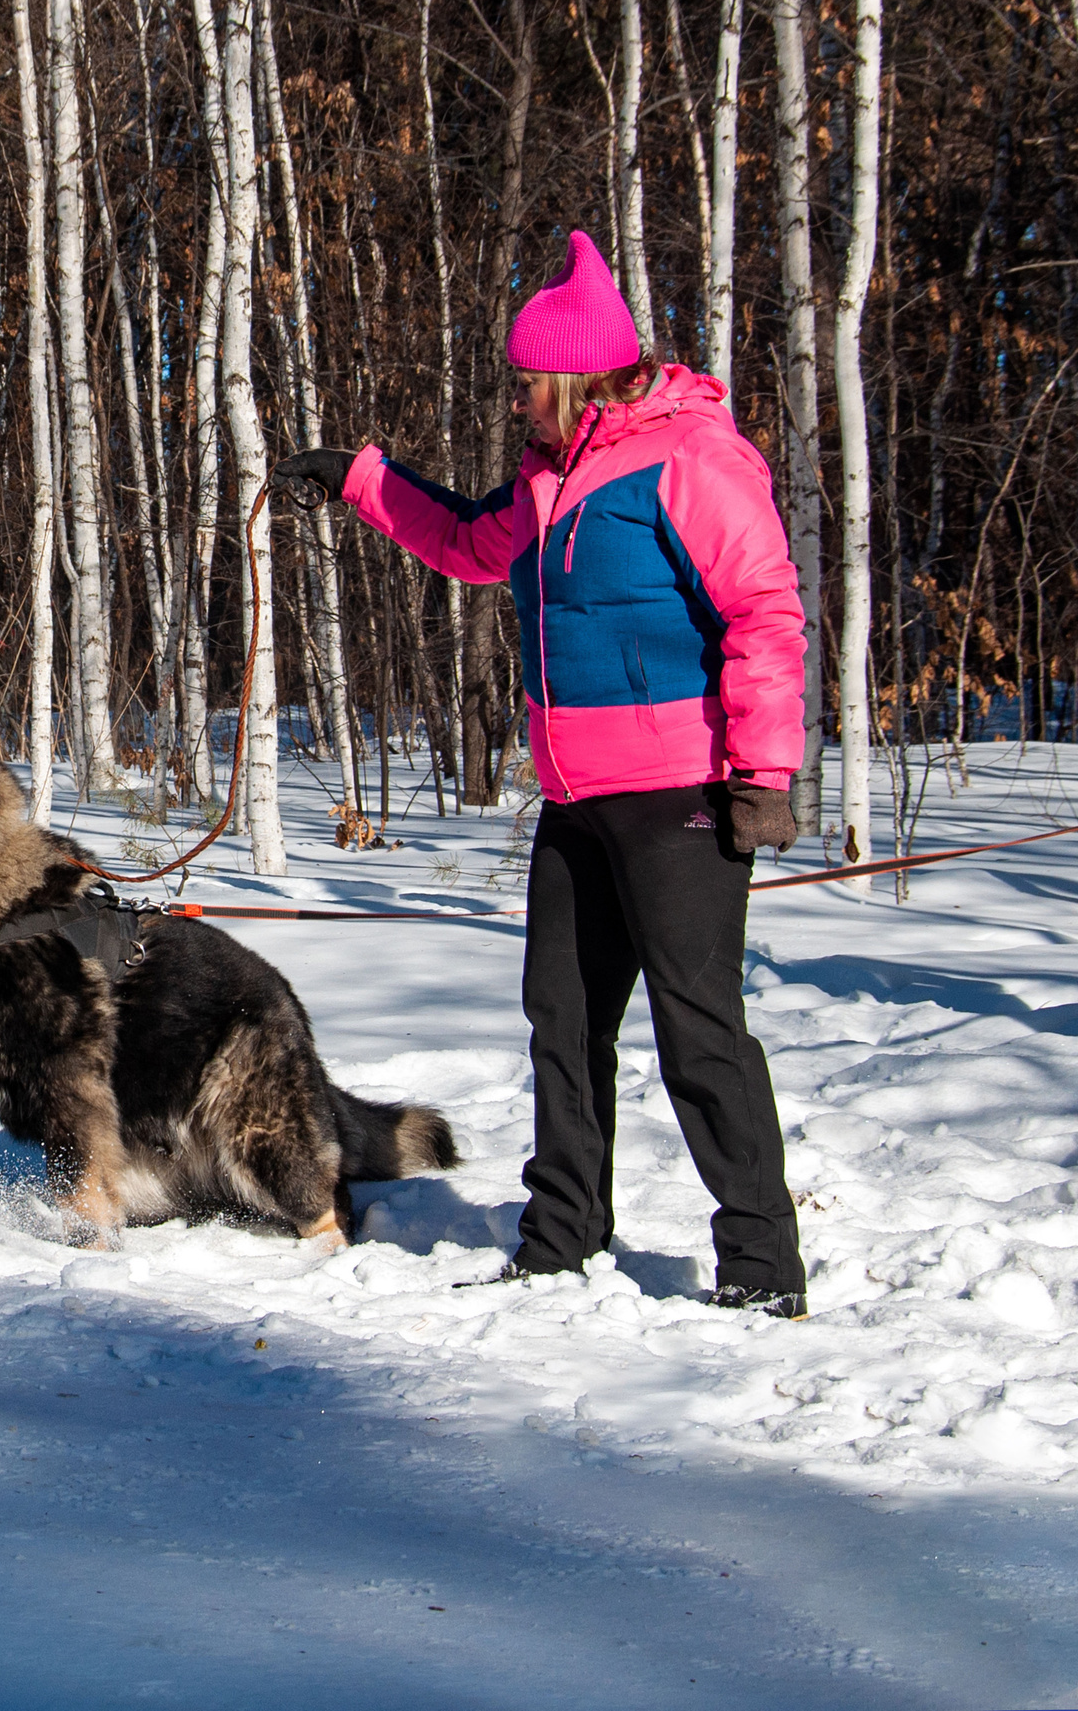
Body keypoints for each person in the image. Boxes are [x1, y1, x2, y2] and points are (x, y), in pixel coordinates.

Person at [270, 229, 811, 1319]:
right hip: (575, 799)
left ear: (573, 377)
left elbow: (765, 612)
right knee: (560, 1024)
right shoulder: (549, 478)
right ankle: (561, 1233)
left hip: (681, 799)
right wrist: (360, 478)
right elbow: (473, 543)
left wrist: (763, 771)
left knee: (698, 1029)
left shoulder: (692, 459)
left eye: (526, 384)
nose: (515, 401)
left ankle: (760, 1263)